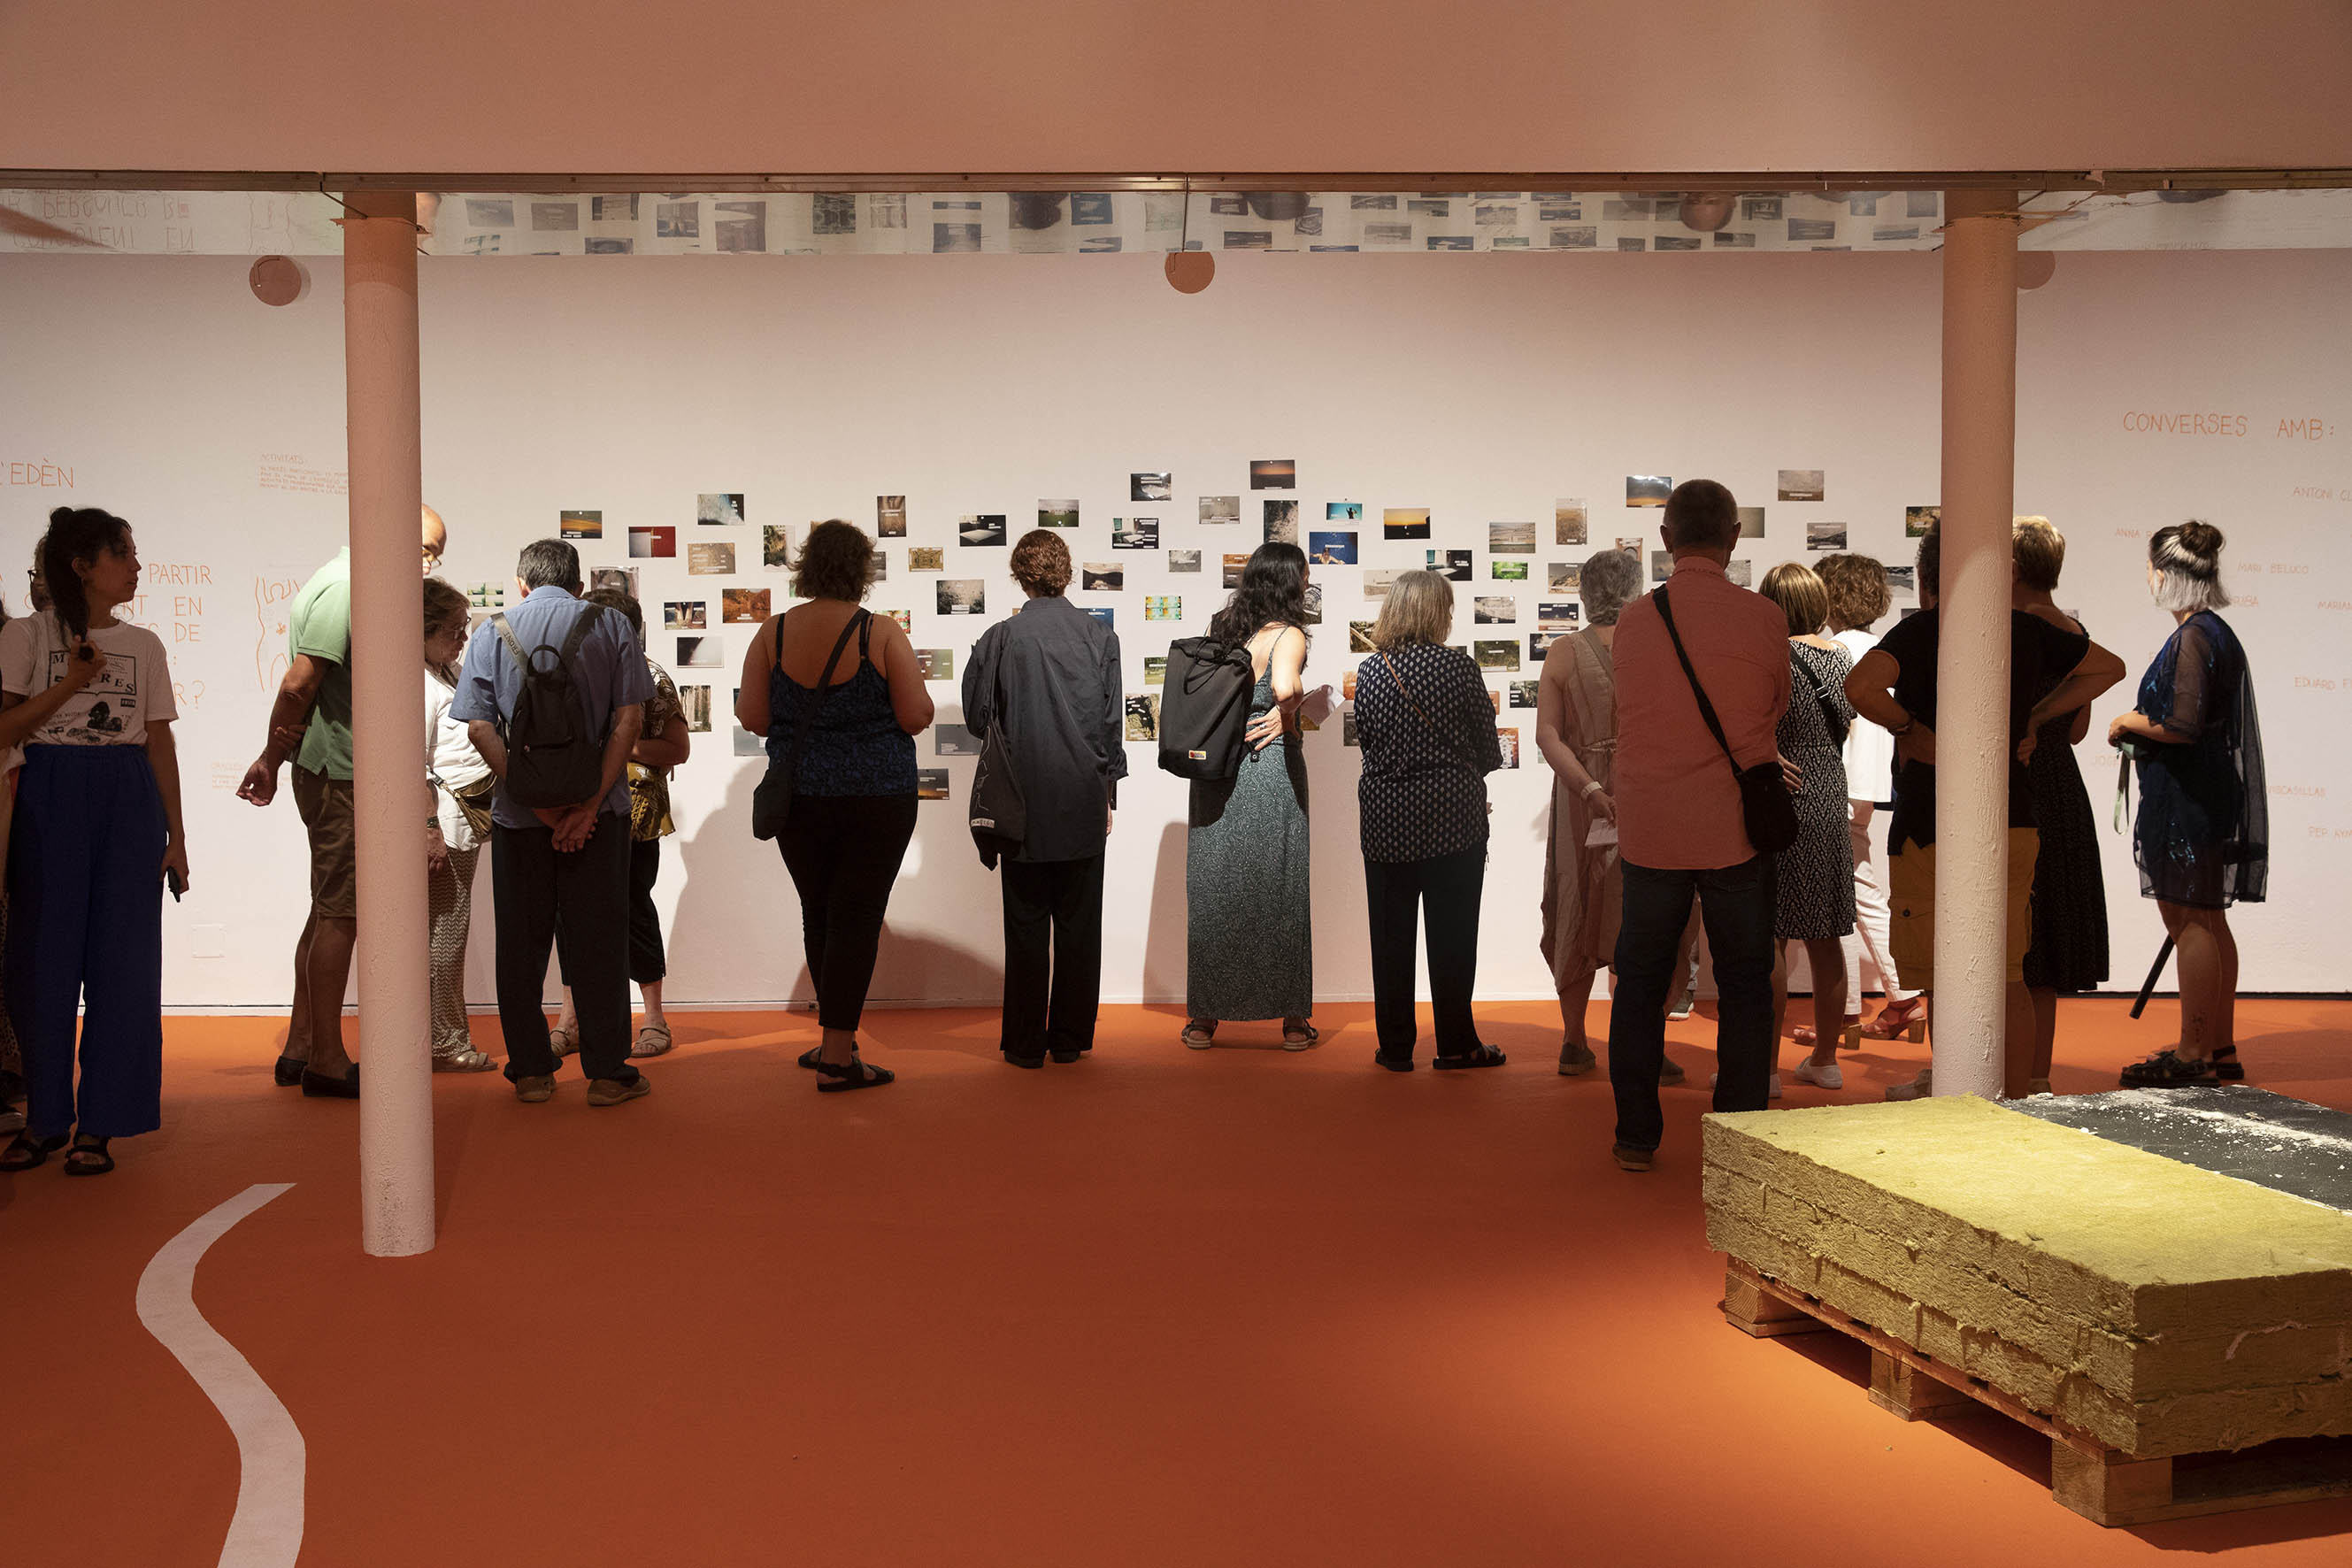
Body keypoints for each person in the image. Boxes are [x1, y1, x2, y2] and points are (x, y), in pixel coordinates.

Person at [1845, 521, 2125, 1100]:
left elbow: (1861, 687)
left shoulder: (1922, 631)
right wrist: (2036, 717)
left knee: (1943, 974)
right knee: (2009, 974)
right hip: (2012, 817)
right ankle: (2016, 1099)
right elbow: (2108, 668)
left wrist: (1910, 729)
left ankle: (1956, 1094)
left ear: (1928, 579)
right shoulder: (2023, 631)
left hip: (1930, 825)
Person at [1605, 480, 1790, 1172]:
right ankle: (1740, 1138)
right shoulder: (1764, 617)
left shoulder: (1634, 621)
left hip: (1652, 825)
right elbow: (1775, 706)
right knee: (1743, 981)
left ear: (1666, 539)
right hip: (1734, 824)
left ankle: (1635, 1136)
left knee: (1641, 978)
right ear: (1734, 536)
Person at [238, 505, 450, 1098]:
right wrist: (269, 758)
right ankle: (326, 1060)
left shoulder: (351, 583)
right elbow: (298, 683)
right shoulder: (348, 588)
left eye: (435, 556)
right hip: (341, 774)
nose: (428, 565)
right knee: (342, 913)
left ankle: (302, 1045)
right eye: (426, 550)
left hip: (342, 770)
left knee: (328, 908)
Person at [0, 507, 187, 1175]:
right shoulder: (26, 634)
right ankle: (46, 1119)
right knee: (41, 961)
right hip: (47, 790)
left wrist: (177, 835)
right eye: (123, 554)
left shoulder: (146, 645)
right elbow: (5, 729)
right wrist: (74, 682)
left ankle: (101, 1124)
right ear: (83, 566)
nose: (136, 566)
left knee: (124, 964)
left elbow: (158, 740)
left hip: (128, 797)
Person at [453, 539, 654, 1107]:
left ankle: (533, 1072)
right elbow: (629, 721)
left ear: (521, 583)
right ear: (579, 584)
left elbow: (479, 728)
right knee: (600, 942)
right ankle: (609, 1074)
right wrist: (587, 807)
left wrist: (539, 808)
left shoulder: (491, 633)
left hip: (520, 821)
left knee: (521, 945)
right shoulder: (612, 626)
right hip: (600, 818)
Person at [735, 519, 931, 1091]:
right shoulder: (879, 632)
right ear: (860, 570)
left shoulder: (772, 633)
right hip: (878, 795)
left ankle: (833, 1043)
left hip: (801, 797)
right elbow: (916, 715)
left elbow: (753, 717)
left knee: (819, 912)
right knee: (856, 918)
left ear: (808, 567)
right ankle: (839, 1059)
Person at [2110, 520, 2266, 1088]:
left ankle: (2194, 1051)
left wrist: (2128, 721)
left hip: (2186, 796)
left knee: (2189, 919)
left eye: (2151, 569)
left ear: (2164, 574)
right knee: (2208, 919)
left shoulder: (2194, 636)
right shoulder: (2214, 632)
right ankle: (2218, 1046)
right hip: (2203, 792)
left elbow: (2182, 723)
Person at [963, 530, 1125, 1068]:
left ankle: (1026, 1043)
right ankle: (1070, 1039)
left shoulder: (1000, 638)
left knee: (1026, 924)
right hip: (1082, 797)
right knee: (1079, 926)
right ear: (1066, 573)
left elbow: (975, 719)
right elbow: (1110, 726)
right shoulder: (1099, 636)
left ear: (1019, 575)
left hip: (1021, 800)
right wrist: (1109, 793)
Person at [1536, 548, 1693, 1085]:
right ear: (1635, 591)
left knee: (1576, 907)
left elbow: (1548, 736)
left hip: (1582, 798)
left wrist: (1588, 788)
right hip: (1649, 792)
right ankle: (1648, 1043)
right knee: (1649, 914)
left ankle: (1574, 1040)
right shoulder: (1659, 647)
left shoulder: (1564, 652)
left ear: (1584, 593)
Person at [1354, 570, 1503, 1070]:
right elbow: (1488, 750)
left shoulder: (1372, 671)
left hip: (1386, 822)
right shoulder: (1459, 668)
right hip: (1452, 820)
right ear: (1438, 612)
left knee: (1390, 940)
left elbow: (1369, 746)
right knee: (1453, 938)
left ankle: (1396, 1048)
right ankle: (1457, 1044)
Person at [1183, 542, 1316, 1050]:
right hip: (1267, 769)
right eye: (1304, 575)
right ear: (1289, 581)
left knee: (1214, 889)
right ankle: (1294, 1022)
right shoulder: (1289, 634)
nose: (1308, 583)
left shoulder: (1224, 629)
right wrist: (1291, 712)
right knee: (1281, 886)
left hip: (1217, 770)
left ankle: (1203, 1019)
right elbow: (1284, 688)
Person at [548, 587, 688, 1060]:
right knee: (567, 913)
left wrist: (621, 744)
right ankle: (571, 1019)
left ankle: (654, 1018)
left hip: (635, 815)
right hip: (575, 808)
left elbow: (678, 749)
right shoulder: (572, 672)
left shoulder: (651, 676)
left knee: (632, 910)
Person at [2011, 519, 2109, 1095]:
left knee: (2015, 943)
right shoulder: (2076, 632)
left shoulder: (2011, 629)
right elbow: (2077, 731)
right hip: (2062, 785)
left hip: (2018, 783)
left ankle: (2000, 1072)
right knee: (2045, 944)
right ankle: (2037, 1075)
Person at [1813, 554, 1925, 1049]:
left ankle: (1865, 1008)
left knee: (1847, 898)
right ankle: (1881, 1004)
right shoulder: (1883, 650)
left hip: (1836, 784)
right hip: (1870, 785)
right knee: (1856, 893)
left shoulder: (1834, 651)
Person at [1756, 563, 1856, 1093]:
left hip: (1782, 795)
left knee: (1771, 934)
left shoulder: (1770, 659)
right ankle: (1825, 1060)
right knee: (1825, 936)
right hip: (1829, 792)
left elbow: (1754, 727)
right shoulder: (1840, 658)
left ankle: (1766, 1070)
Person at [423, 577, 497, 1071]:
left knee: (450, 930)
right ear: (423, 630)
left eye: (464, 627)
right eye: (453, 630)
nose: (462, 638)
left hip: (461, 821)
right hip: (446, 823)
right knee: (445, 935)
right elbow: (412, 763)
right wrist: (429, 827)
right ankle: (443, 1042)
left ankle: (445, 1036)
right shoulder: (417, 683)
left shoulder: (444, 671)